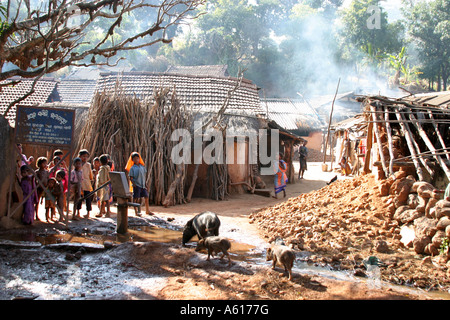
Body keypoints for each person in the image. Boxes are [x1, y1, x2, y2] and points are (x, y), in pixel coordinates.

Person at [78, 149, 94, 218]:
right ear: (80, 156)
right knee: (79, 199)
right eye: (83, 156)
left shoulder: (88, 165)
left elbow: (90, 175)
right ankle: (77, 212)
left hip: (87, 184)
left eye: (86, 156)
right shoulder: (77, 164)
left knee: (88, 199)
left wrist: (91, 178)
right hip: (79, 184)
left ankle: (88, 213)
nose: (85, 158)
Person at [35, 156, 49, 221]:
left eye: (46, 163)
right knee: (37, 202)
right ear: (39, 164)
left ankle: (47, 216)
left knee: (47, 202)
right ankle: (36, 215)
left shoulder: (47, 172)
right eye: (44, 163)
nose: (45, 165)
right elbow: (35, 180)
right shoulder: (37, 172)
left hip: (45, 188)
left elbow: (48, 179)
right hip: (39, 188)